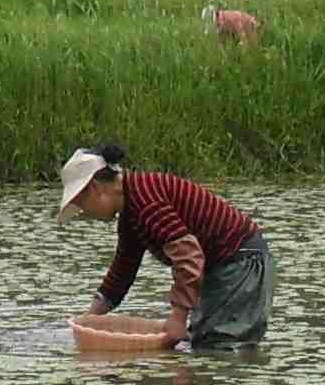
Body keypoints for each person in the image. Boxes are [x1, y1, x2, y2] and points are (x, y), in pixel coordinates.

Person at [58, 143, 273, 348]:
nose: (84, 212)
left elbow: (189, 256)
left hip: (241, 264)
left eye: (81, 204)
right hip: (224, 267)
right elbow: (123, 271)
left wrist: (178, 318)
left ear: (95, 188)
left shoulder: (145, 202)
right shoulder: (131, 211)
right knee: (204, 344)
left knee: (222, 347)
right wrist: (89, 319)